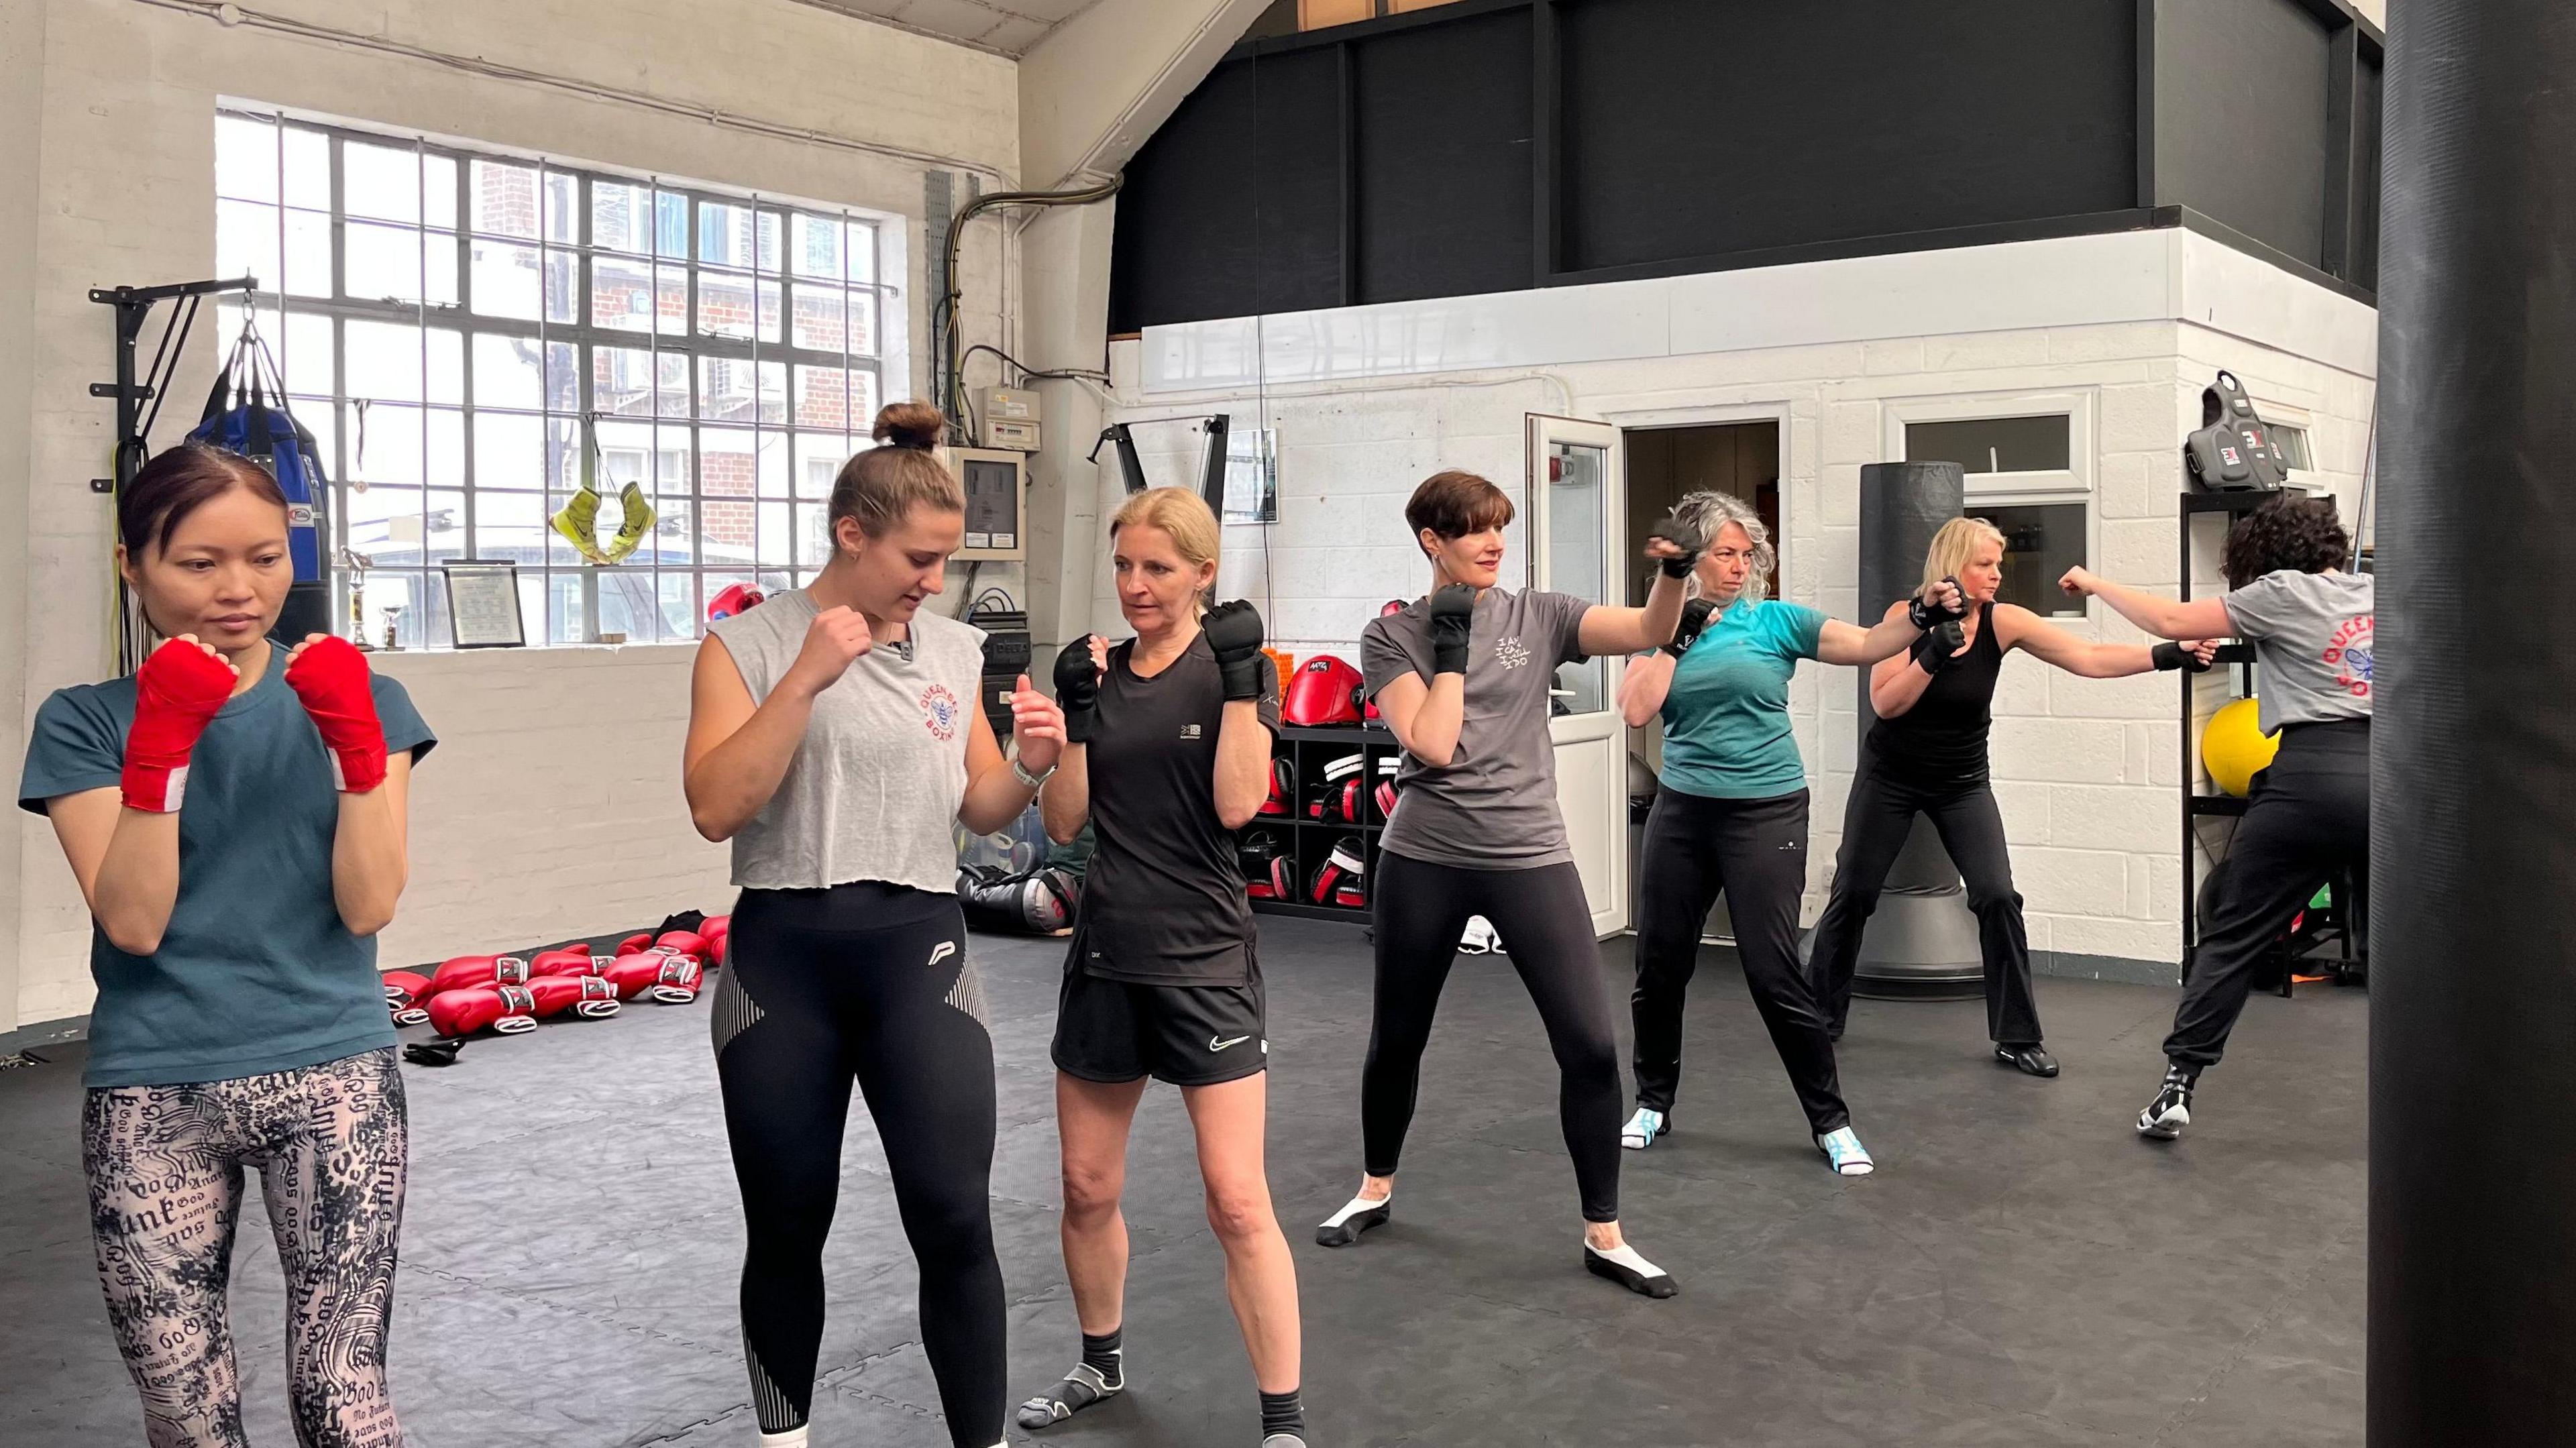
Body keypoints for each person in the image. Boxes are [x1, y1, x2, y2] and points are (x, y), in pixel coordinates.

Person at [17, 441, 432, 1448]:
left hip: (333, 1069)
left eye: (264, 556)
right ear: (134, 564)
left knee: (346, 1397)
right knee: (187, 1410)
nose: (238, 590)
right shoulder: (83, 721)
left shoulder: (352, 692)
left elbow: (369, 902)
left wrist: (357, 755)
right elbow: (133, 921)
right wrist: (160, 749)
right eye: (198, 563)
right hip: (156, 1082)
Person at [682, 401, 1067, 1448]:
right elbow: (717, 804)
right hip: (785, 967)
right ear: (852, 533)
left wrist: (1033, 760)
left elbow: (980, 803)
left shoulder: (951, 650)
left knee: (953, 1218)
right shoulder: (748, 642)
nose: (931, 580)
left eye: (944, 560)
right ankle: (783, 1438)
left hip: (919, 958)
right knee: (788, 1224)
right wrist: (808, 676)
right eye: (918, 556)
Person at [1316, 468, 1694, 1299]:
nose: (1494, 544)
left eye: (1501, 529)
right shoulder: (1391, 637)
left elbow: (1643, 626)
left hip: (1529, 852)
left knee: (1590, 1045)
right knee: (1399, 1037)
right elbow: (1434, 742)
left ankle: (1607, 1232)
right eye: (1476, 531)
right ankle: (1375, 1185)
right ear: (1432, 540)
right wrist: (1450, 648)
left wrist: (1673, 574)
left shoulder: (1543, 614)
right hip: (1427, 855)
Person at [1014, 488, 1307, 1448]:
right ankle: (1100, 1362)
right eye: (1126, 565)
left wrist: (1234, 683)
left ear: (1203, 575)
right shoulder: (1101, 675)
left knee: (1235, 1197)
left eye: (1159, 569)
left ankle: (1283, 1418)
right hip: (1106, 955)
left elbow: (1236, 804)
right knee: (1086, 1185)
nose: (1137, 586)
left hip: (1204, 960)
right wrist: (1076, 717)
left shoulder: (1235, 670)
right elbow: (1062, 824)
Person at [1615, 490, 1964, 1176]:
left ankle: (1831, 1121)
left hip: (1765, 809)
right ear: (1694, 558)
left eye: (1749, 554)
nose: (1741, 565)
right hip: (1684, 813)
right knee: (1659, 965)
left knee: (1773, 970)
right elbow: (1636, 709)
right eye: (1726, 553)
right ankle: (1653, 1100)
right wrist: (1676, 637)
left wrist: (1921, 613)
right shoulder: (1658, 624)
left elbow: (1867, 644)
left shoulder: (1775, 623)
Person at [1807, 518, 2217, 1077]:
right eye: (1985, 564)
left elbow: (2089, 659)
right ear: (1954, 564)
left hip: (1962, 783)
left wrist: (2170, 654)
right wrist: (1930, 655)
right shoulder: (1904, 621)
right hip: (1891, 778)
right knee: (1853, 891)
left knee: (1998, 895)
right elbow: (1886, 704)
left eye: (1999, 563)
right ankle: (1817, 1020)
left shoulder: (2006, 623)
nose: (1998, 573)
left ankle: (2016, 1035)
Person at [2058, 491, 2371, 1141]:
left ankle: (2179, 1084)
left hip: (2310, 775)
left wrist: (2092, 580)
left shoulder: (2282, 591)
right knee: (2420, 946)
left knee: (2233, 933)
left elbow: (2173, 618)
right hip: (2398, 778)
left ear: (2267, 554)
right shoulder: (2382, 593)